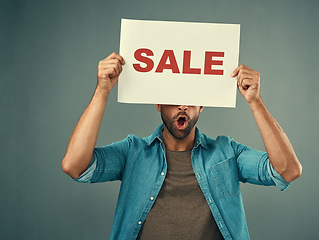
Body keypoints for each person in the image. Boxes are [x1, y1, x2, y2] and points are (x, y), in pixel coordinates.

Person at [62, 52, 302, 240]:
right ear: (158, 103)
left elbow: (288, 170)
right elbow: (75, 166)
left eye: (191, 99)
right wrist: (101, 92)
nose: (182, 107)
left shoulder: (227, 152)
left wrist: (255, 101)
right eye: (174, 98)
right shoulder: (133, 152)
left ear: (202, 106)